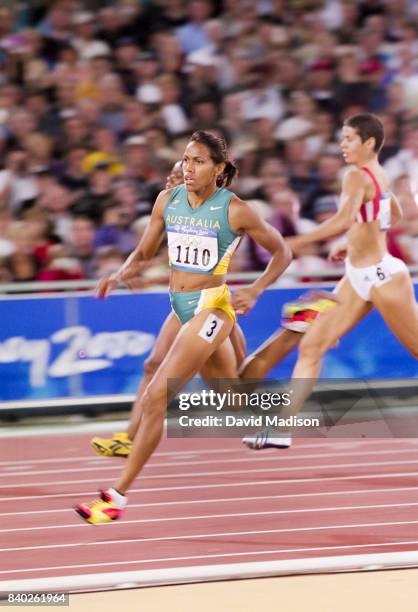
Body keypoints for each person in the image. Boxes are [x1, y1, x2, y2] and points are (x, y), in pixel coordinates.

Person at [75, 130, 292, 523]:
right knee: (233, 397)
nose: (188, 168)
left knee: (156, 396)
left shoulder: (235, 210)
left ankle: (116, 497)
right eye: (186, 160)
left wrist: (257, 289)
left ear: (219, 169)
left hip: (213, 307)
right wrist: (118, 274)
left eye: (198, 161)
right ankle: (296, 331)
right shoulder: (167, 200)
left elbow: (283, 252)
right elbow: (143, 253)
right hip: (180, 306)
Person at [243, 113, 418, 450]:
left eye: (349, 138)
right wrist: (352, 243)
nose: (342, 144)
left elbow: (340, 220)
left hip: (383, 278)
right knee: (311, 346)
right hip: (356, 277)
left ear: (368, 143)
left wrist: (290, 243)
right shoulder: (379, 174)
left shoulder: (356, 176)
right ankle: (281, 428)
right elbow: (389, 215)